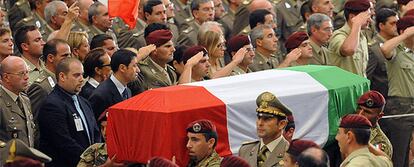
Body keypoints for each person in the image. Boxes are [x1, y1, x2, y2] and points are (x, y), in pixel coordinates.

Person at [38, 57, 101, 167]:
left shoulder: (84, 102)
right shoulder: (52, 105)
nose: (82, 79)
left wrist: (97, 156)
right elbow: (63, 142)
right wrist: (89, 161)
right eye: (76, 75)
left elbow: (95, 133)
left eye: (82, 74)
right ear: (62, 76)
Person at [379, 15, 414, 167]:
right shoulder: (396, 50)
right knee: (400, 153)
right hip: (401, 105)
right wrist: (405, 35)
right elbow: (384, 48)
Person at [239, 91, 291, 167]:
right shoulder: (245, 150)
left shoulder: (291, 153)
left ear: (281, 124)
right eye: (259, 117)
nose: (260, 123)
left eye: (267, 119)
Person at [27, 39, 71, 127]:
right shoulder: (41, 86)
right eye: (65, 56)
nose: (69, 59)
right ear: (51, 58)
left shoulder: (67, 81)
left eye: (70, 55)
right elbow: (35, 123)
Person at [89, 49, 139, 119]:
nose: (138, 70)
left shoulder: (128, 91)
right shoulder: (101, 95)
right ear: (122, 68)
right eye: (134, 66)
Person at [328, 0, 372, 77]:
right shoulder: (339, 35)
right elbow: (348, 50)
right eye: (366, 17)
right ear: (352, 17)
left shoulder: (362, 38)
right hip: (344, 87)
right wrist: (357, 24)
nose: (370, 20)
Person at [0, 56, 36, 147]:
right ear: (6, 77)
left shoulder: (25, 99)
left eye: (27, 72)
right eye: (21, 74)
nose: (27, 77)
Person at [128, 29, 176, 95]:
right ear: (154, 50)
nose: (173, 49)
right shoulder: (141, 70)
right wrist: (139, 57)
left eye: (172, 46)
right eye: (167, 46)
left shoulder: (171, 72)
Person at [367, 8, 398, 98]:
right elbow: (368, 77)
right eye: (392, 23)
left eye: (397, 23)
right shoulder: (374, 49)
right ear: (381, 25)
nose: (396, 26)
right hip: (383, 99)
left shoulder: (399, 44)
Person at [356, 90, 393, 158]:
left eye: (367, 112)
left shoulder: (381, 143)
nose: (360, 114)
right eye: (359, 108)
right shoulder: (348, 129)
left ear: (379, 116)